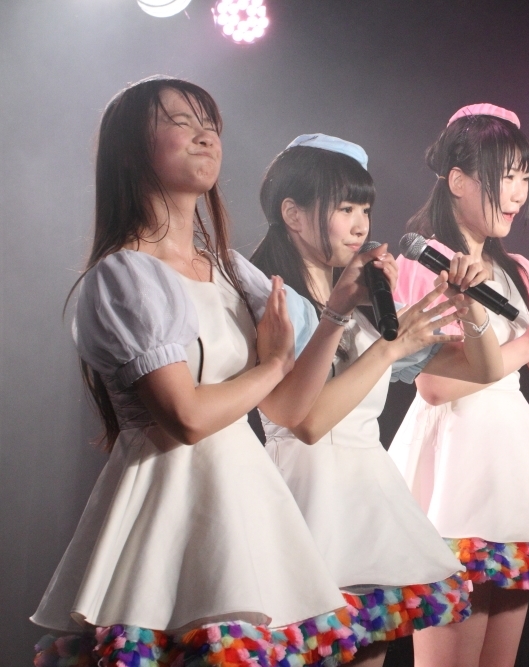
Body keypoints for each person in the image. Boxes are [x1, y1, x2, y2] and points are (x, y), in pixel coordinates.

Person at [31, 77, 360, 666]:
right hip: (166, 506)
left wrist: (336, 313)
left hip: (246, 504)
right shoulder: (124, 275)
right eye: (181, 123)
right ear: (132, 148)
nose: (205, 136)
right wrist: (274, 364)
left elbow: (287, 410)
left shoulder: (231, 270)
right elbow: (184, 417)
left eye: (210, 125)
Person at [249, 133, 506, 667]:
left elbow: (484, 370)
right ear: (293, 214)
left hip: (370, 504)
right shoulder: (271, 299)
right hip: (303, 501)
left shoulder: (369, 307)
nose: (361, 225)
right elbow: (307, 422)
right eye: (345, 209)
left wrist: (471, 307)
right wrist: (389, 347)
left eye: (365, 210)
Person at [388, 104, 529, 667]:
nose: (517, 192)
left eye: (524, 177)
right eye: (504, 176)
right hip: (452, 459)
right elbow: (434, 386)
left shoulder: (520, 269)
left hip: (511, 461)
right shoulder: (425, 261)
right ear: (458, 180)